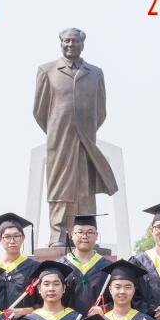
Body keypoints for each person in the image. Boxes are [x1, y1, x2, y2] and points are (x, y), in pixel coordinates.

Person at [33, 27, 116, 246]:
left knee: (85, 189)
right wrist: (58, 130)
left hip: (86, 140)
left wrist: (84, 130)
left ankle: (85, 235)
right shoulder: (47, 71)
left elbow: (101, 111)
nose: (71, 45)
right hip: (59, 141)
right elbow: (39, 111)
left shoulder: (95, 73)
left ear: (82, 44)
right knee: (59, 187)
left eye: (75, 41)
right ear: (61, 43)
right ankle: (58, 235)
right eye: (67, 41)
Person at [0, 212, 40, 318]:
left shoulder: (34, 268)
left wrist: (25, 311)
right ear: (0, 239)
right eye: (7, 237)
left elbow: (44, 303)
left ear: (23, 238)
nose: (12, 241)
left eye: (16, 236)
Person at [61, 213, 111, 315]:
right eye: (80, 232)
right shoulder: (60, 266)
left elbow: (119, 300)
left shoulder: (109, 267)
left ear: (96, 235)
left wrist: (104, 309)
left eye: (90, 232)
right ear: (72, 235)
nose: (84, 236)